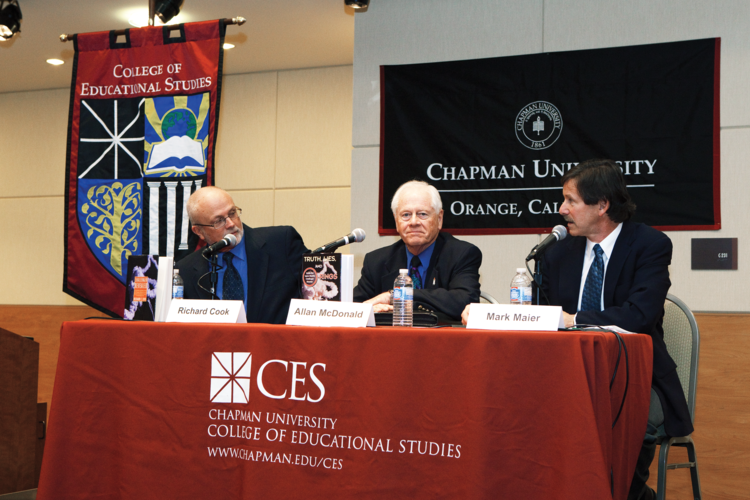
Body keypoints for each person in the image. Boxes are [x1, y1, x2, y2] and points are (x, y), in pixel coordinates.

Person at [461, 159, 691, 500]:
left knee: (626, 432)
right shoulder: (557, 253)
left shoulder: (649, 245)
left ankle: (629, 494)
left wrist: (574, 319)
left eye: (571, 200)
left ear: (602, 205)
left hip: (639, 379)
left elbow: (639, 316)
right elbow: (542, 319)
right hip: (568, 375)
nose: (561, 208)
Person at [175, 186, 307, 324]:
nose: (231, 224)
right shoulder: (185, 270)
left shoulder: (281, 244)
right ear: (199, 232)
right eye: (218, 221)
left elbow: (318, 287)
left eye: (232, 213)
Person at [353, 180, 482, 322]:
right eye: (406, 215)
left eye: (422, 214)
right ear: (396, 222)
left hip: (441, 341)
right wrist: (367, 310)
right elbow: (352, 307)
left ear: (439, 219)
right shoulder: (376, 261)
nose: (413, 222)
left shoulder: (461, 254)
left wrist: (395, 296)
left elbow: (464, 301)